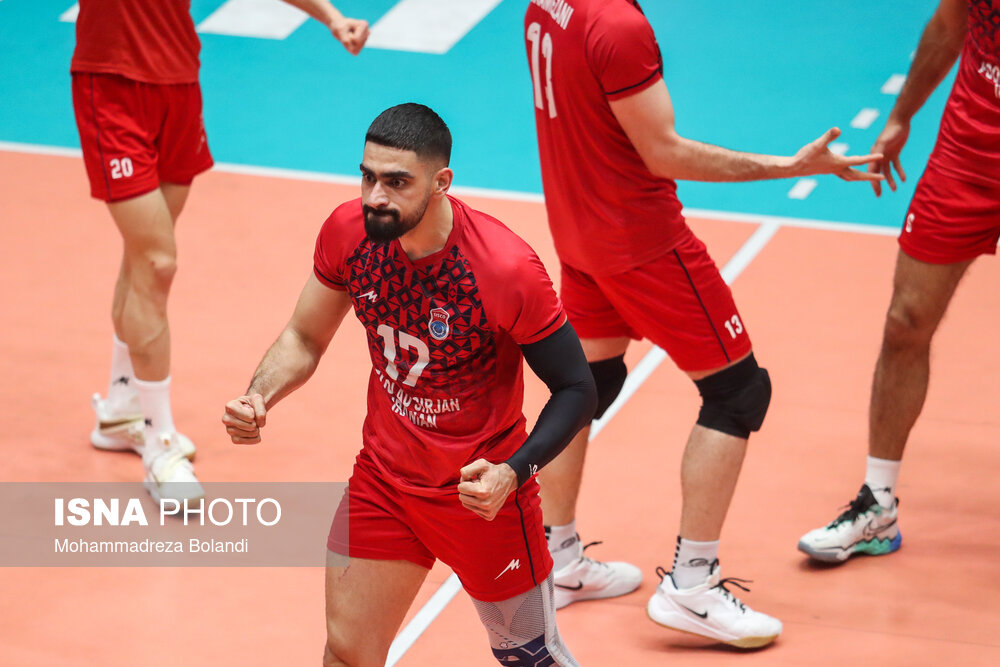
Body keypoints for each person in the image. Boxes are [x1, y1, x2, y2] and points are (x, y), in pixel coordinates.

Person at [524, 0, 884, 648]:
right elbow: (662, 152)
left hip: (578, 232)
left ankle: (556, 559)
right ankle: (692, 585)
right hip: (642, 242)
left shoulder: (545, 6)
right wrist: (788, 167)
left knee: (589, 385)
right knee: (738, 393)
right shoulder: (619, 26)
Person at [222, 104, 595, 666]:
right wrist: (260, 394)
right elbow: (304, 335)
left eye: (397, 182)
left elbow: (576, 389)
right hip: (385, 483)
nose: (375, 196)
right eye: (368, 176)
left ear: (441, 182)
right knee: (347, 655)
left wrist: (512, 472)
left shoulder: (504, 268)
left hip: (479, 498)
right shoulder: (350, 233)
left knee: (530, 657)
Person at [75, 0, 369, 502]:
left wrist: (330, 16)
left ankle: (123, 408)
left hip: (178, 80)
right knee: (156, 260)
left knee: (145, 255)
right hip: (113, 82)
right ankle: (160, 444)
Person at [799, 0, 999, 562]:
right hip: (969, 149)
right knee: (905, 321)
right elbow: (951, 21)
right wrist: (901, 115)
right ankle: (877, 506)